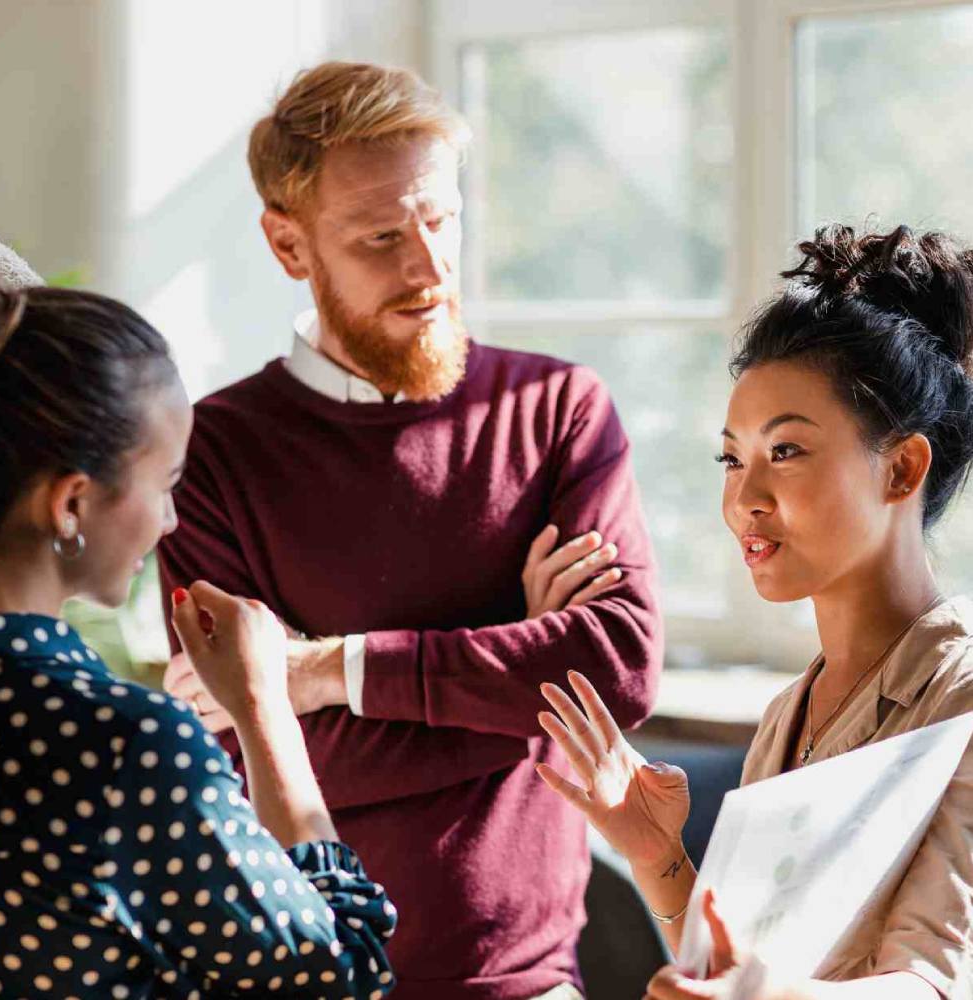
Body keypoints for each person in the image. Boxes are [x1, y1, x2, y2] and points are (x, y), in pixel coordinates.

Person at [157, 61, 663, 1000]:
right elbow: (243, 755)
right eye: (383, 236)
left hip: (533, 986)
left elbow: (617, 672)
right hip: (309, 984)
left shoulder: (556, 409)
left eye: (440, 220)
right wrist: (518, 676)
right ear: (288, 245)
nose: (427, 267)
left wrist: (317, 673)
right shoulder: (211, 453)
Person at [538, 224, 973, 1000]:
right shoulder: (788, 713)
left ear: (902, 467)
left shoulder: (961, 697)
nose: (744, 500)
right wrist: (659, 857)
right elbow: (731, 965)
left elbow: (931, 983)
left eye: (787, 452)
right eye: (732, 458)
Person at [0, 264, 397, 998]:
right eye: (166, 485)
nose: (169, 522)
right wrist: (263, 707)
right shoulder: (119, 747)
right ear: (72, 502)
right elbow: (337, 976)